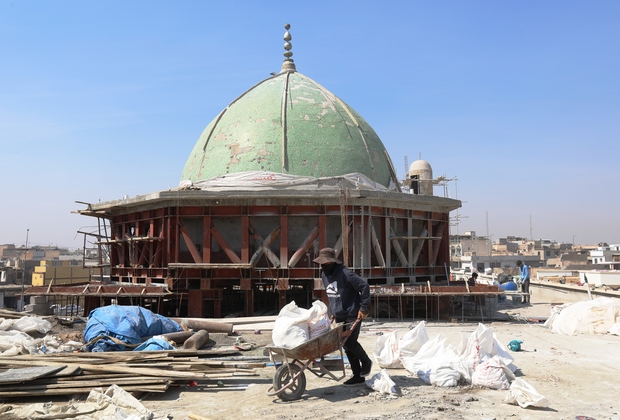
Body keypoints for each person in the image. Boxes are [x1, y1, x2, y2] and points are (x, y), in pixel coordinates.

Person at [313, 247, 373, 386]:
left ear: (333, 262)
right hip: (339, 314)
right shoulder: (324, 275)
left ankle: (366, 361)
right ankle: (357, 375)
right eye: (322, 264)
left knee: (351, 342)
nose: (324, 267)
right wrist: (331, 312)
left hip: (352, 312)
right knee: (345, 345)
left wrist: (363, 307)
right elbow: (333, 295)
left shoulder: (346, 273)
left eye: (326, 264)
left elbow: (364, 287)